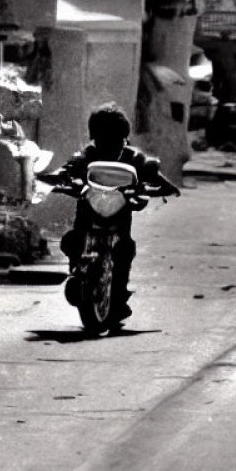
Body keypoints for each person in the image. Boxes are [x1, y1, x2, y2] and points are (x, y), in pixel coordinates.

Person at [50, 102, 180, 321]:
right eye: (104, 139)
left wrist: (163, 186)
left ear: (124, 138)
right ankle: (76, 270)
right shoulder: (87, 155)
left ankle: (118, 297)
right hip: (88, 216)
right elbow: (69, 168)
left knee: (125, 249)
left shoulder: (134, 158)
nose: (110, 145)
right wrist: (61, 178)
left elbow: (152, 173)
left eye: (116, 139)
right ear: (95, 138)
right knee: (73, 240)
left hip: (119, 220)